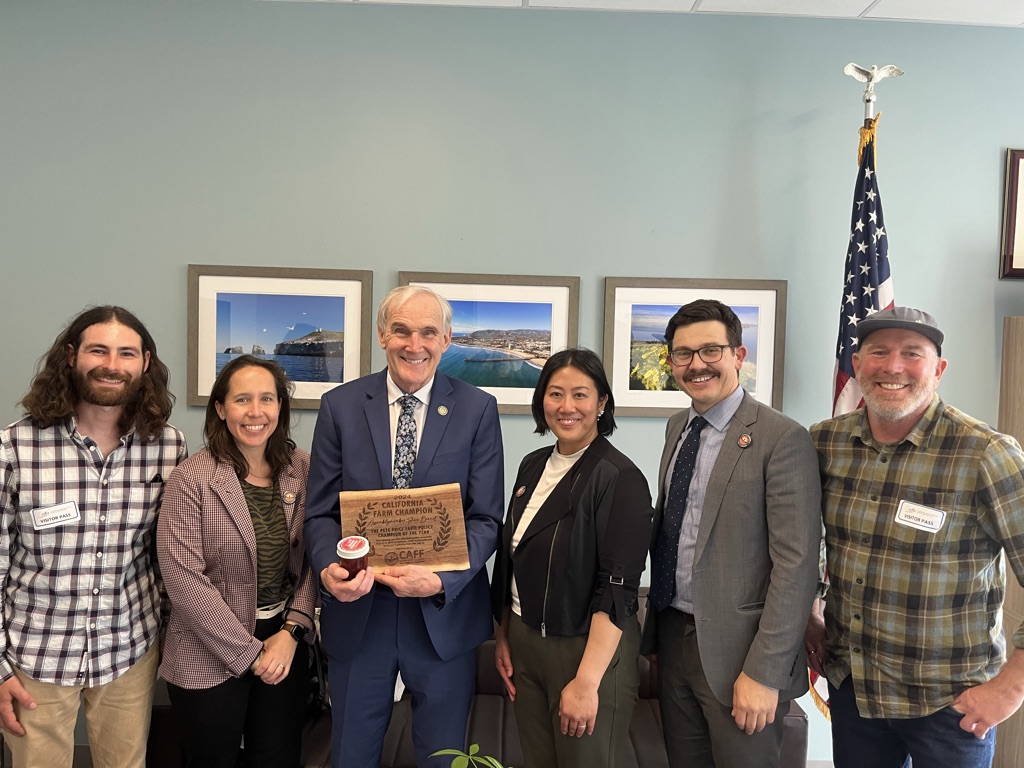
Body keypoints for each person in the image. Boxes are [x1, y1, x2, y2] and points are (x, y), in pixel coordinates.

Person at [805, 306, 1024, 768]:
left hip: (950, 707)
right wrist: (811, 607)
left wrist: (1011, 688)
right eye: (879, 352)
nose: (893, 366)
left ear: (939, 369)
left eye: (913, 354)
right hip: (856, 692)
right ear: (858, 364)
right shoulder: (825, 444)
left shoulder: (985, 453)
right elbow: (804, 540)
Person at [305, 285, 504, 768]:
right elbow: (319, 513)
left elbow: (485, 518)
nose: (415, 344)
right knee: (351, 755)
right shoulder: (340, 406)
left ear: (447, 339)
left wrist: (441, 579)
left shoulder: (478, 408)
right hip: (360, 614)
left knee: (443, 758)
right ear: (382, 335)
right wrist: (331, 566)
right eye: (402, 330)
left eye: (428, 332)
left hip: (441, 616)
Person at [0, 306, 186, 768]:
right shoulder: (15, 448)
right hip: (34, 654)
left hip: (128, 651)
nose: (112, 364)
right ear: (70, 356)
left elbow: (167, 557)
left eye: (126, 353)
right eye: (97, 350)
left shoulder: (169, 447)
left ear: (145, 363)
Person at [640, 298, 821, 768]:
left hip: (742, 655)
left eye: (710, 350)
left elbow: (797, 566)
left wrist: (764, 671)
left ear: (738, 356)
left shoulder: (781, 438)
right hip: (675, 636)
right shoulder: (677, 426)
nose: (696, 364)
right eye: (683, 353)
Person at [490, 347, 652, 768]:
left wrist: (587, 680)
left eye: (580, 395)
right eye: (555, 394)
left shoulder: (621, 478)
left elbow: (618, 590)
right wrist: (505, 636)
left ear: (601, 403)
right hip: (527, 641)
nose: (566, 407)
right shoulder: (531, 466)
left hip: (586, 651)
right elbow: (512, 558)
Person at [157, 355, 316, 768]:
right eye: (242, 399)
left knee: (278, 757)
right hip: (205, 648)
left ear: (280, 407)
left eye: (267, 398)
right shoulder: (191, 478)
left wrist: (292, 630)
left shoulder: (302, 468)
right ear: (221, 409)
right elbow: (183, 578)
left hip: (284, 642)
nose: (255, 411)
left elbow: (312, 557)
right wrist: (250, 653)